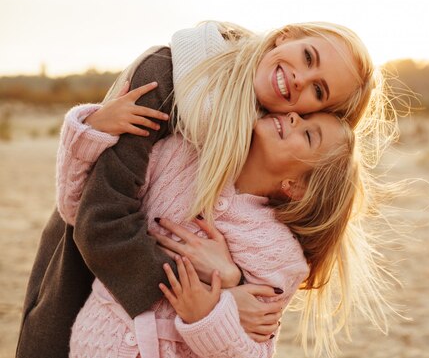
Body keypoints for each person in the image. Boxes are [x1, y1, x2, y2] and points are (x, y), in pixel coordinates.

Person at [17, 20, 393, 357]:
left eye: (318, 92)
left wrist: (226, 292)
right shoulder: (171, 76)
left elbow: (256, 322)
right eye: (308, 57)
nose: (300, 83)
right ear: (284, 36)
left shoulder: (268, 142)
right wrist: (220, 298)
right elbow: (99, 222)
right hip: (83, 281)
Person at [57, 98, 357, 356]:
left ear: (296, 187)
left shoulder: (279, 255)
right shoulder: (178, 155)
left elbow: (255, 352)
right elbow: (77, 210)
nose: (294, 116)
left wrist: (207, 314)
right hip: (96, 345)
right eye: (302, 116)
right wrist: (90, 129)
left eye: (308, 135)